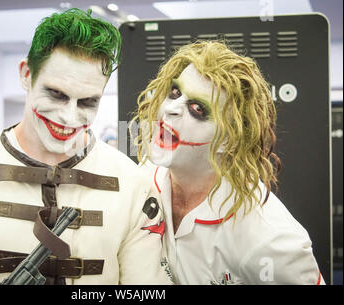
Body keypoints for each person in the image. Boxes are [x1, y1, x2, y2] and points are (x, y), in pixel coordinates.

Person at [0, 8, 171, 285]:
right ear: (26, 74)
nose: (69, 116)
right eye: (56, 94)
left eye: (88, 102)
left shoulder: (133, 184)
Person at [132, 41, 324, 284]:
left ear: (230, 140)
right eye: (174, 93)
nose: (170, 108)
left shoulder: (271, 238)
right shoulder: (144, 177)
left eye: (197, 108)